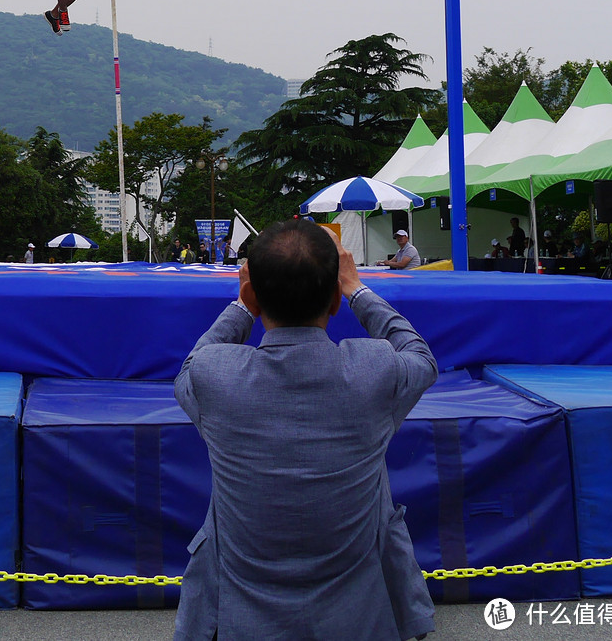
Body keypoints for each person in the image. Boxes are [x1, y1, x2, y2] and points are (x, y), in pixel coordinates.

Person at [174, 220, 437, 641]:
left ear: (256, 295)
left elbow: (189, 367)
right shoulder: (373, 369)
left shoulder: (215, 376)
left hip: (237, 620)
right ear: (334, 299)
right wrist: (358, 289)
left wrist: (242, 306)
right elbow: (420, 357)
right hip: (362, 620)